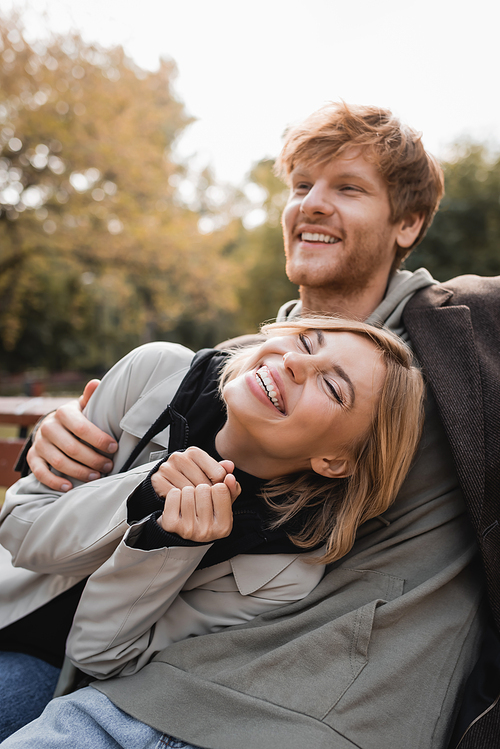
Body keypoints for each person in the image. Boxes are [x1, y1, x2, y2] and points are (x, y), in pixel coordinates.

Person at [4, 102, 499, 748]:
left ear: (407, 222)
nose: (312, 204)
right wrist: (64, 440)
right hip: (70, 648)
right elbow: (34, 522)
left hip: (252, 700)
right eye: (301, 187)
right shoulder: (237, 374)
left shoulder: (449, 353)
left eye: (346, 188)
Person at [0, 317, 423, 738]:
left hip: (51, 671)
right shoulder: (155, 371)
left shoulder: (283, 566)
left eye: (332, 387)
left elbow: (98, 657)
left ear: (334, 461)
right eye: (307, 341)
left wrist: (168, 543)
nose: (294, 361)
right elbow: (18, 531)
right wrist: (142, 492)